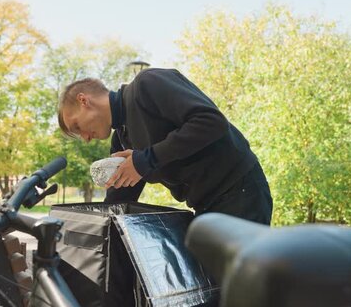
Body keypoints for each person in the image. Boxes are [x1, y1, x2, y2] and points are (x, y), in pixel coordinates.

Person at [58, 67, 272, 225]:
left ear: (84, 101)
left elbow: (212, 121)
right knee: (213, 285)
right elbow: (117, 202)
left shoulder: (147, 84)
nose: (85, 138)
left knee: (241, 285)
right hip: (205, 208)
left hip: (240, 191)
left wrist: (146, 160)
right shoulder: (121, 140)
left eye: (77, 126)